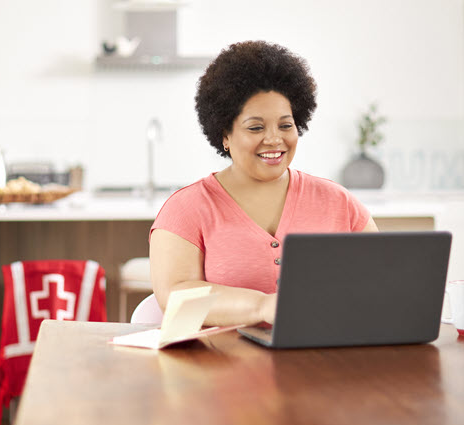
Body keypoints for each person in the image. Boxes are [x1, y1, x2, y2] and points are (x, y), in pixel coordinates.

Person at [150, 41, 378, 327]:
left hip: (322, 364)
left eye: (285, 125)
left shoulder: (337, 202)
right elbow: (175, 295)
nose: (274, 139)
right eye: (256, 127)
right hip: (220, 368)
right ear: (225, 135)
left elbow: (380, 281)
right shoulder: (186, 209)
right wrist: (262, 306)